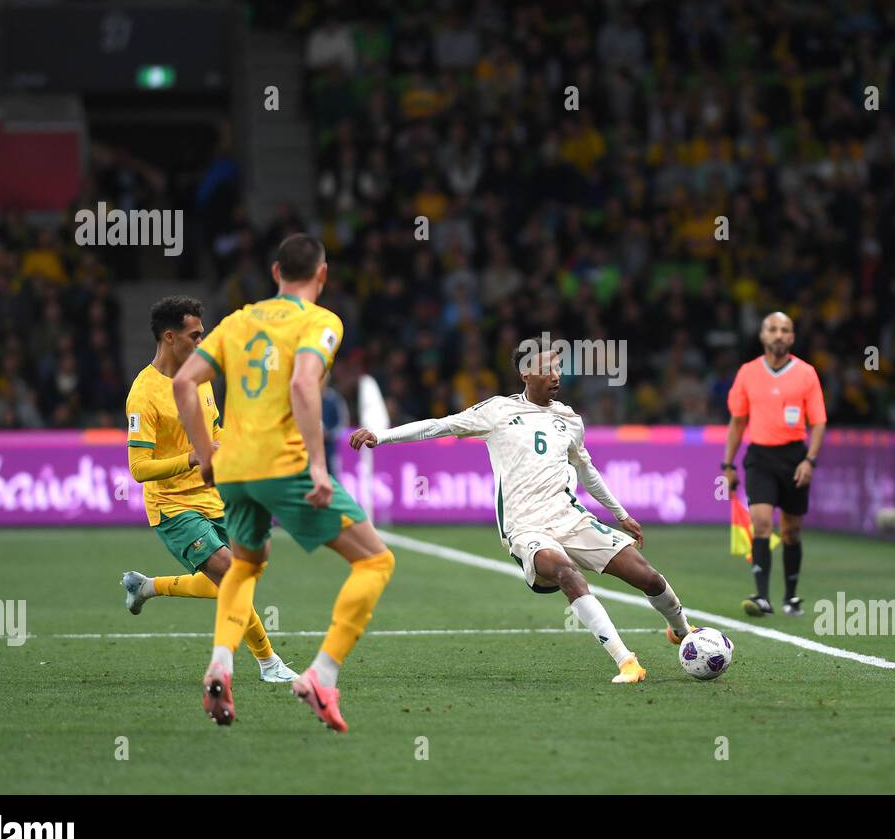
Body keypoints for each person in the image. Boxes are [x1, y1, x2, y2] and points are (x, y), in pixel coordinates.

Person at [348, 338, 695, 684]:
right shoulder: (497, 411)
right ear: (526, 374)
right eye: (547, 369)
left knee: (648, 577)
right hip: (526, 528)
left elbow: (587, 470)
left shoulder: (570, 420)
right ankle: (626, 661)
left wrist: (620, 513)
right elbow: (440, 425)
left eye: (559, 368)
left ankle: (682, 630)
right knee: (566, 573)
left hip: (570, 518)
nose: (556, 375)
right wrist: (382, 435)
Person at [173, 235, 394, 732]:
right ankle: (321, 675)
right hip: (284, 466)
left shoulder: (237, 321)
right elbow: (301, 383)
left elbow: (183, 382)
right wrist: (319, 466)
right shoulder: (320, 321)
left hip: (234, 470)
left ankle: (221, 664)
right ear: (322, 275)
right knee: (375, 560)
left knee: (246, 564)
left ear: (275, 273)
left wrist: (206, 455)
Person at [121, 295, 296, 684]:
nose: (202, 343)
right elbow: (138, 469)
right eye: (195, 336)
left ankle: (146, 587)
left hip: (212, 496)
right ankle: (270, 664)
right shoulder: (144, 394)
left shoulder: (199, 379)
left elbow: (215, 433)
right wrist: (192, 459)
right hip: (172, 506)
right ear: (170, 337)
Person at [721, 312, 826, 617]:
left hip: (795, 457)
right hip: (760, 458)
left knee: (792, 531)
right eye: (773, 329)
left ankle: (791, 598)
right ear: (763, 336)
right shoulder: (747, 373)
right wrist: (727, 464)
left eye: (785, 330)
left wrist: (810, 460)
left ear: (792, 337)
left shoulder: (806, 373)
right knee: (762, 522)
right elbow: (737, 421)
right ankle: (762, 596)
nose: (779, 335)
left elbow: (818, 423)